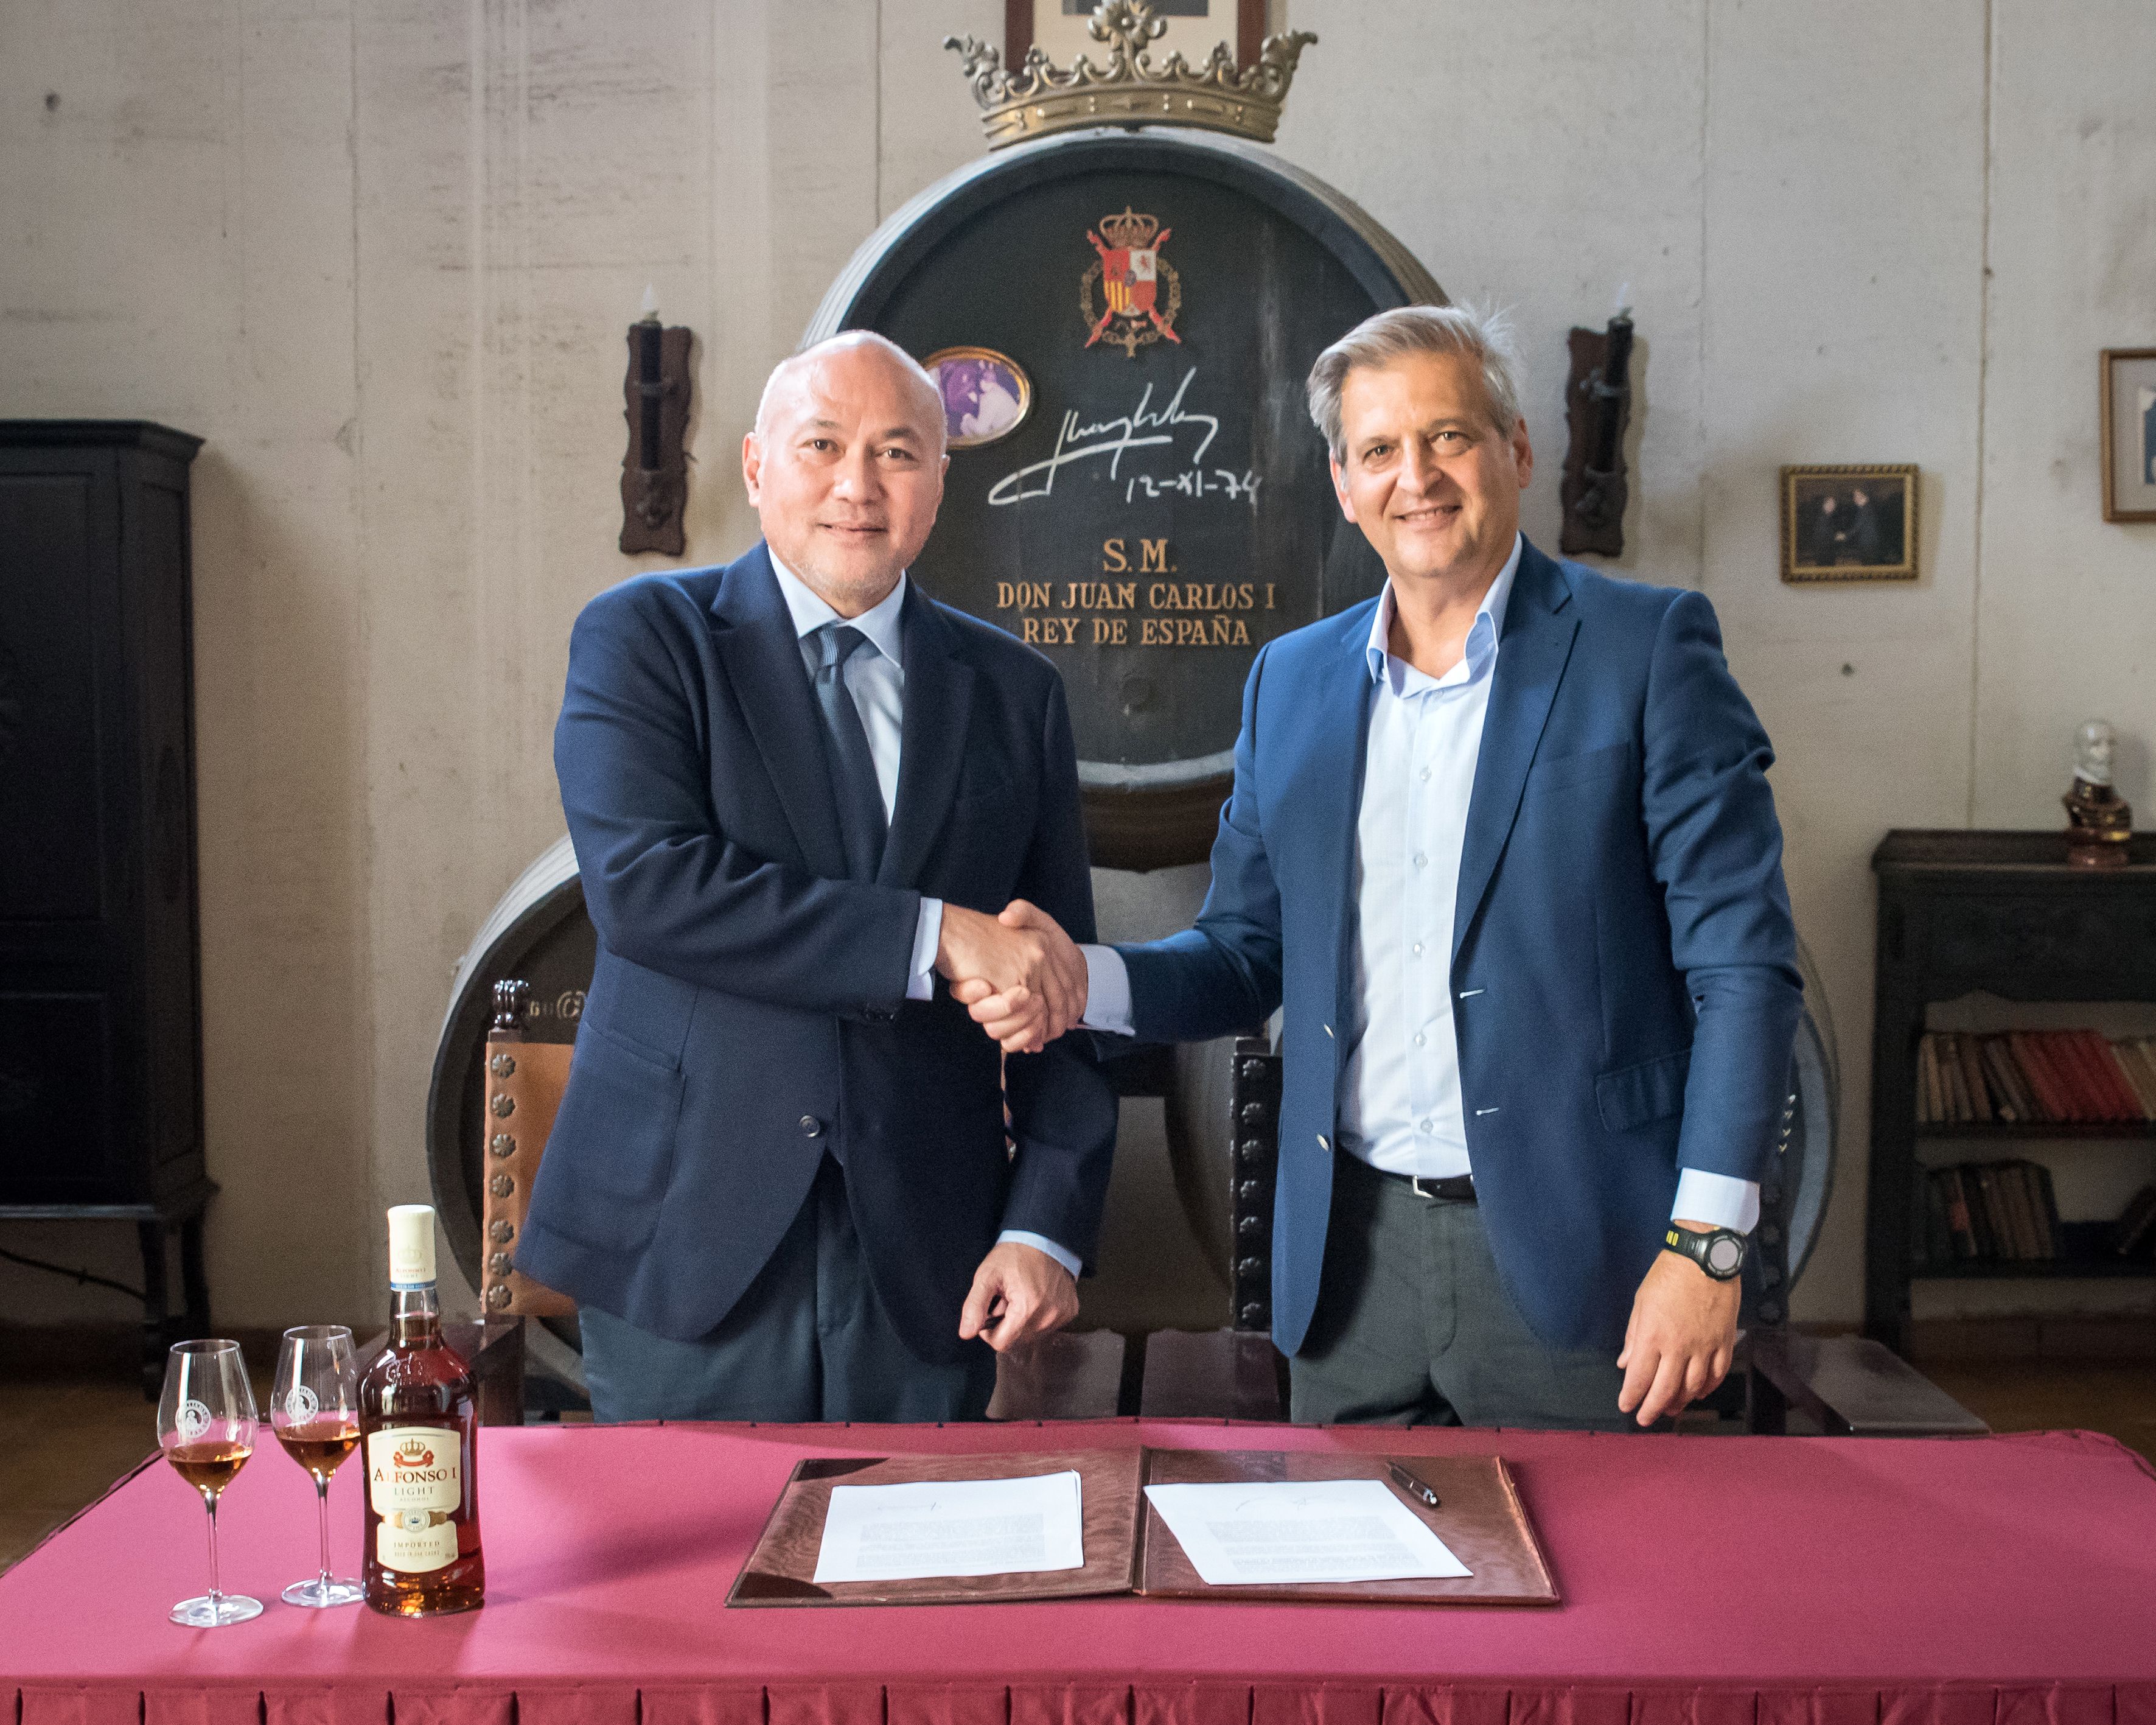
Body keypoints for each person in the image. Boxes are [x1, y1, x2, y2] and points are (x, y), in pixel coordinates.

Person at [960, 304, 1802, 1430]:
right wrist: (1083, 979)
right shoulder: (1292, 681)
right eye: (1379, 451)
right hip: (1352, 1272)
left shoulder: (1649, 652)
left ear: (1516, 449)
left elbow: (1743, 971)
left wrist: (1707, 1247)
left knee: (1604, 1593)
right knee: (1356, 1600)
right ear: (1345, 483)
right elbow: (1244, 952)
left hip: (1591, 1261)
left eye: (1449, 437)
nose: (1419, 476)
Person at [518, 331, 1117, 1422]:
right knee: (684, 1583)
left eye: (897, 452)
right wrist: (937, 933)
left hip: (929, 1256)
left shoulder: (1015, 692)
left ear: (941, 481)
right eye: (822, 445)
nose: (857, 484)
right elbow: (651, 889)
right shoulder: (647, 637)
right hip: (684, 1238)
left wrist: (1044, 1225)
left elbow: (1056, 985)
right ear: (756, 467)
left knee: (910, 1576)